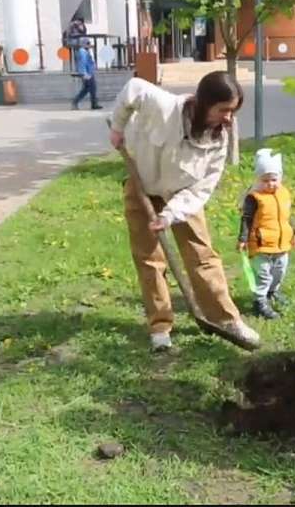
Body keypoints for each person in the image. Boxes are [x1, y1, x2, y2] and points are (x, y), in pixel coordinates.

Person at [108, 71, 260, 353]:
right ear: (204, 103)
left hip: (182, 197)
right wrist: (118, 127)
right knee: (149, 259)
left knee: (202, 256)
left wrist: (170, 214)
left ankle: (226, 319)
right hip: (142, 187)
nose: (229, 118)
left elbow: (202, 189)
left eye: (234, 110)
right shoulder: (163, 106)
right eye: (224, 110)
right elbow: (133, 87)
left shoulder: (218, 140)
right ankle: (160, 326)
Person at [237, 148, 295, 319]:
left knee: (279, 271)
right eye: (265, 180)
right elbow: (246, 218)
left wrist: (294, 233)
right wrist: (243, 239)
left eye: (274, 179)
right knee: (263, 274)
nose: (270, 184)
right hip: (261, 244)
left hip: (282, 244)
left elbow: (287, 216)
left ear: (279, 178)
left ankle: (273, 292)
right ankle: (259, 301)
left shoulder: (284, 194)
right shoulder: (254, 197)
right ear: (258, 179)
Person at [72, 38, 102, 111]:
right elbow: (82, 63)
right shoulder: (82, 52)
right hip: (87, 74)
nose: (89, 45)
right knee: (91, 88)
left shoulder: (84, 51)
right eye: (88, 43)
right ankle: (92, 104)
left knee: (87, 89)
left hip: (89, 73)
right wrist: (84, 73)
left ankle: (92, 103)